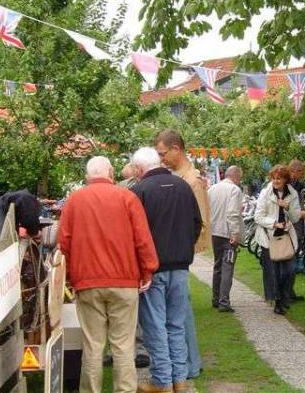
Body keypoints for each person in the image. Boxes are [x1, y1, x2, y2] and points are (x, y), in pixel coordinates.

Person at [57, 156, 159, 393]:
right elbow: (142, 240)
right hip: (124, 281)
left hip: (88, 282)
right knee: (123, 345)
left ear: (87, 176)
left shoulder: (74, 200)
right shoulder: (127, 198)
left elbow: (64, 242)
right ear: (111, 172)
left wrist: (72, 275)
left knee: (93, 345)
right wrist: (147, 271)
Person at [131, 147, 202, 393]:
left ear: (140, 169)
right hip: (180, 266)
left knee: (155, 326)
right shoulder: (182, 187)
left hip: (153, 269)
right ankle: (180, 379)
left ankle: (161, 381)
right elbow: (197, 223)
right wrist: (184, 248)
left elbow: (135, 234)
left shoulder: (139, 191)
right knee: (176, 324)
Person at [154, 129, 210, 379]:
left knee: (181, 312)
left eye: (163, 153)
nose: (161, 158)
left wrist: (182, 248)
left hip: (179, 255)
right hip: (176, 253)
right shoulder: (180, 177)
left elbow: (200, 221)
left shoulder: (191, 180)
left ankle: (191, 363)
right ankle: (188, 362)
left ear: (176, 149)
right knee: (179, 311)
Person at [254, 165, 301, 315]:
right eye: (273, 178)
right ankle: (278, 302)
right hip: (269, 237)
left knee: (290, 270)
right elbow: (258, 217)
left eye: (279, 178)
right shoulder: (265, 193)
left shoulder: (292, 194)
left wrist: (287, 207)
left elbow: (295, 217)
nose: (275, 181)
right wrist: (274, 223)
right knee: (274, 274)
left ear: (285, 179)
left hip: (286, 237)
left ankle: (285, 297)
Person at [208, 165, 244, 312]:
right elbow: (232, 213)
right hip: (228, 234)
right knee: (227, 267)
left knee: (217, 266)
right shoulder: (234, 190)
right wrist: (235, 233)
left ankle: (216, 298)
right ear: (236, 176)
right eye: (240, 178)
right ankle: (224, 302)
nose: (240, 181)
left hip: (215, 232)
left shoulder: (212, 189)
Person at [288, 159, 305, 302]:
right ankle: (287, 292)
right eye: (301, 171)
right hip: (292, 227)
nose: (303, 174)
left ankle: (290, 291)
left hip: (297, 226)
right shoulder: (290, 186)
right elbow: (291, 209)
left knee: (293, 259)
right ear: (295, 170)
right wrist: (302, 213)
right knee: (290, 260)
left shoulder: (299, 185)